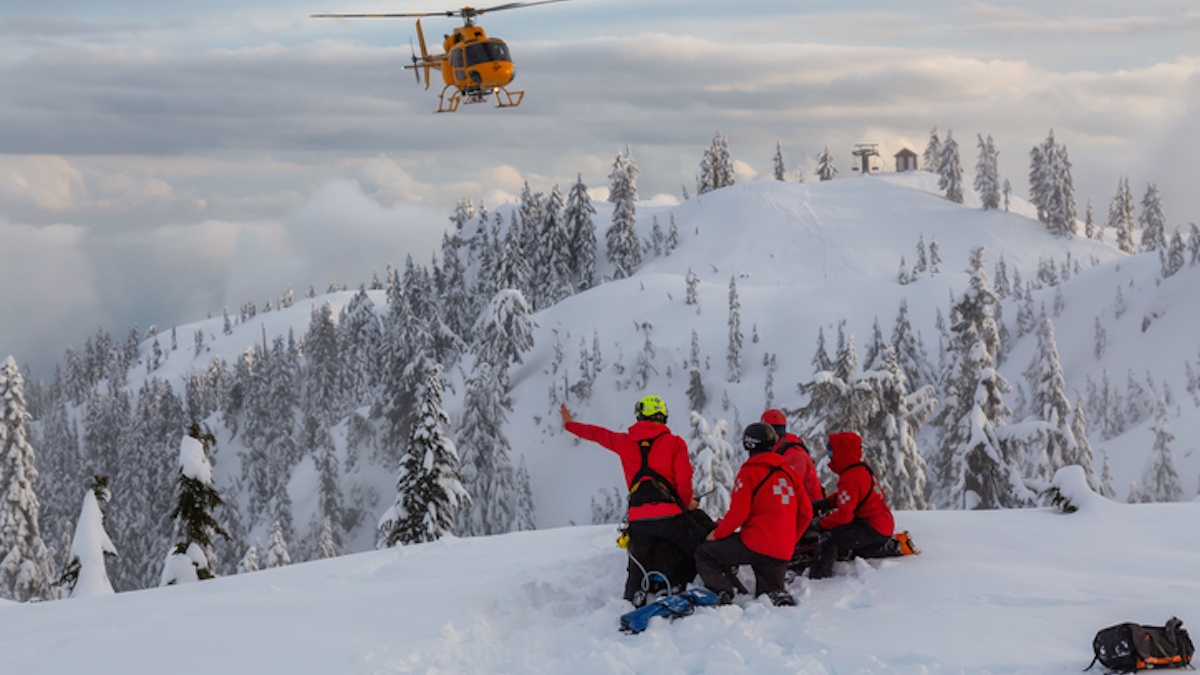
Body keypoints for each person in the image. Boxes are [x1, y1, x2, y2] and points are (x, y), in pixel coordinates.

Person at [560, 396, 702, 606]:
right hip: (671, 516)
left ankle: (632, 596)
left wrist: (570, 425)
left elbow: (597, 434)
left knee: (637, 563)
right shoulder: (675, 443)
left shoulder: (624, 442)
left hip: (638, 520)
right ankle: (684, 585)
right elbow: (683, 481)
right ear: (663, 417)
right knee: (697, 547)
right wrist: (687, 503)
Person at [695, 422, 812, 606]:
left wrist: (716, 534)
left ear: (748, 444)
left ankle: (723, 593)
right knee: (769, 597)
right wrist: (790, 541)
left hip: (755, 544)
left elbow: (738, 515)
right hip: (782, 551)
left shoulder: (749, 472)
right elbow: (806, 512)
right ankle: (776, 597)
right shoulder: (790, 473)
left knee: (704, 553)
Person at [809, 431, 895, 580]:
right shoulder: (861, 469)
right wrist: (825, 503)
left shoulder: (850, 477)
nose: (830, 455)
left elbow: (844, 516)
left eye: (831, 451)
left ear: (842, 453)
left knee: (829, 539)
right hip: (880, 523)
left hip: (872, 526)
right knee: (841, 534)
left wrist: (819, 524)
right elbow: (851, 497)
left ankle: (819, 578)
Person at [761, 409, 824, 502]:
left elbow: (790, 488)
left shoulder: (794, 455)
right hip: (796, 505)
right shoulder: (778, 449)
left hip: (808, 507)